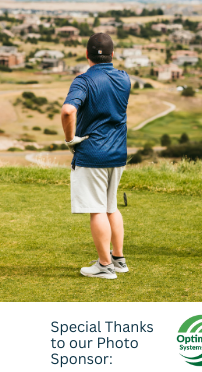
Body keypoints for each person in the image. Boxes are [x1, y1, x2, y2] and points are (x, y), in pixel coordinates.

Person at [61, 33, 131, 279]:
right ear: (112, 54)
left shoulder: (83, 80)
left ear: (87, 54)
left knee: (96, 209)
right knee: (111, 206)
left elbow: (68, 110)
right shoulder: (125, 78)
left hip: (92, 154)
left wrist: (70, 140)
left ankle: (104, 265)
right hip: (118, 153)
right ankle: (118, 259)